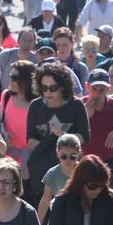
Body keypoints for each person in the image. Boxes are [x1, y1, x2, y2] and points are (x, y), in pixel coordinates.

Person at [25, 60, 90, 207]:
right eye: (44, 87)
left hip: (68, 170)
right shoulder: (35, 106)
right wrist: (47, 145)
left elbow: (85, 137)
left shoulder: (76, 105)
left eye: (53, 88)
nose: (48, 92)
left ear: (62, 87)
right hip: (41, 172)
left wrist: (65, 138)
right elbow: (29, 140)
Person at [82, 68, 113, 197]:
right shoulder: (79, 105)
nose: (97, 94)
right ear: (87, 87)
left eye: (102, 90)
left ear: (109, 89)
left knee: (111, 205)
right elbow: (69, 138)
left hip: (111, 163)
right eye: (94, 89)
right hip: (85, 163)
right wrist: (85, 118)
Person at [37, 132, 81, 224]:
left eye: (73, 156)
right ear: (57, 153)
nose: (68, 160)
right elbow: (45, 200)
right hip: (60, 217)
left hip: (81, 215)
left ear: (79, 153)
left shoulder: (84, 171)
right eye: (64, 156)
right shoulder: (52, 174)